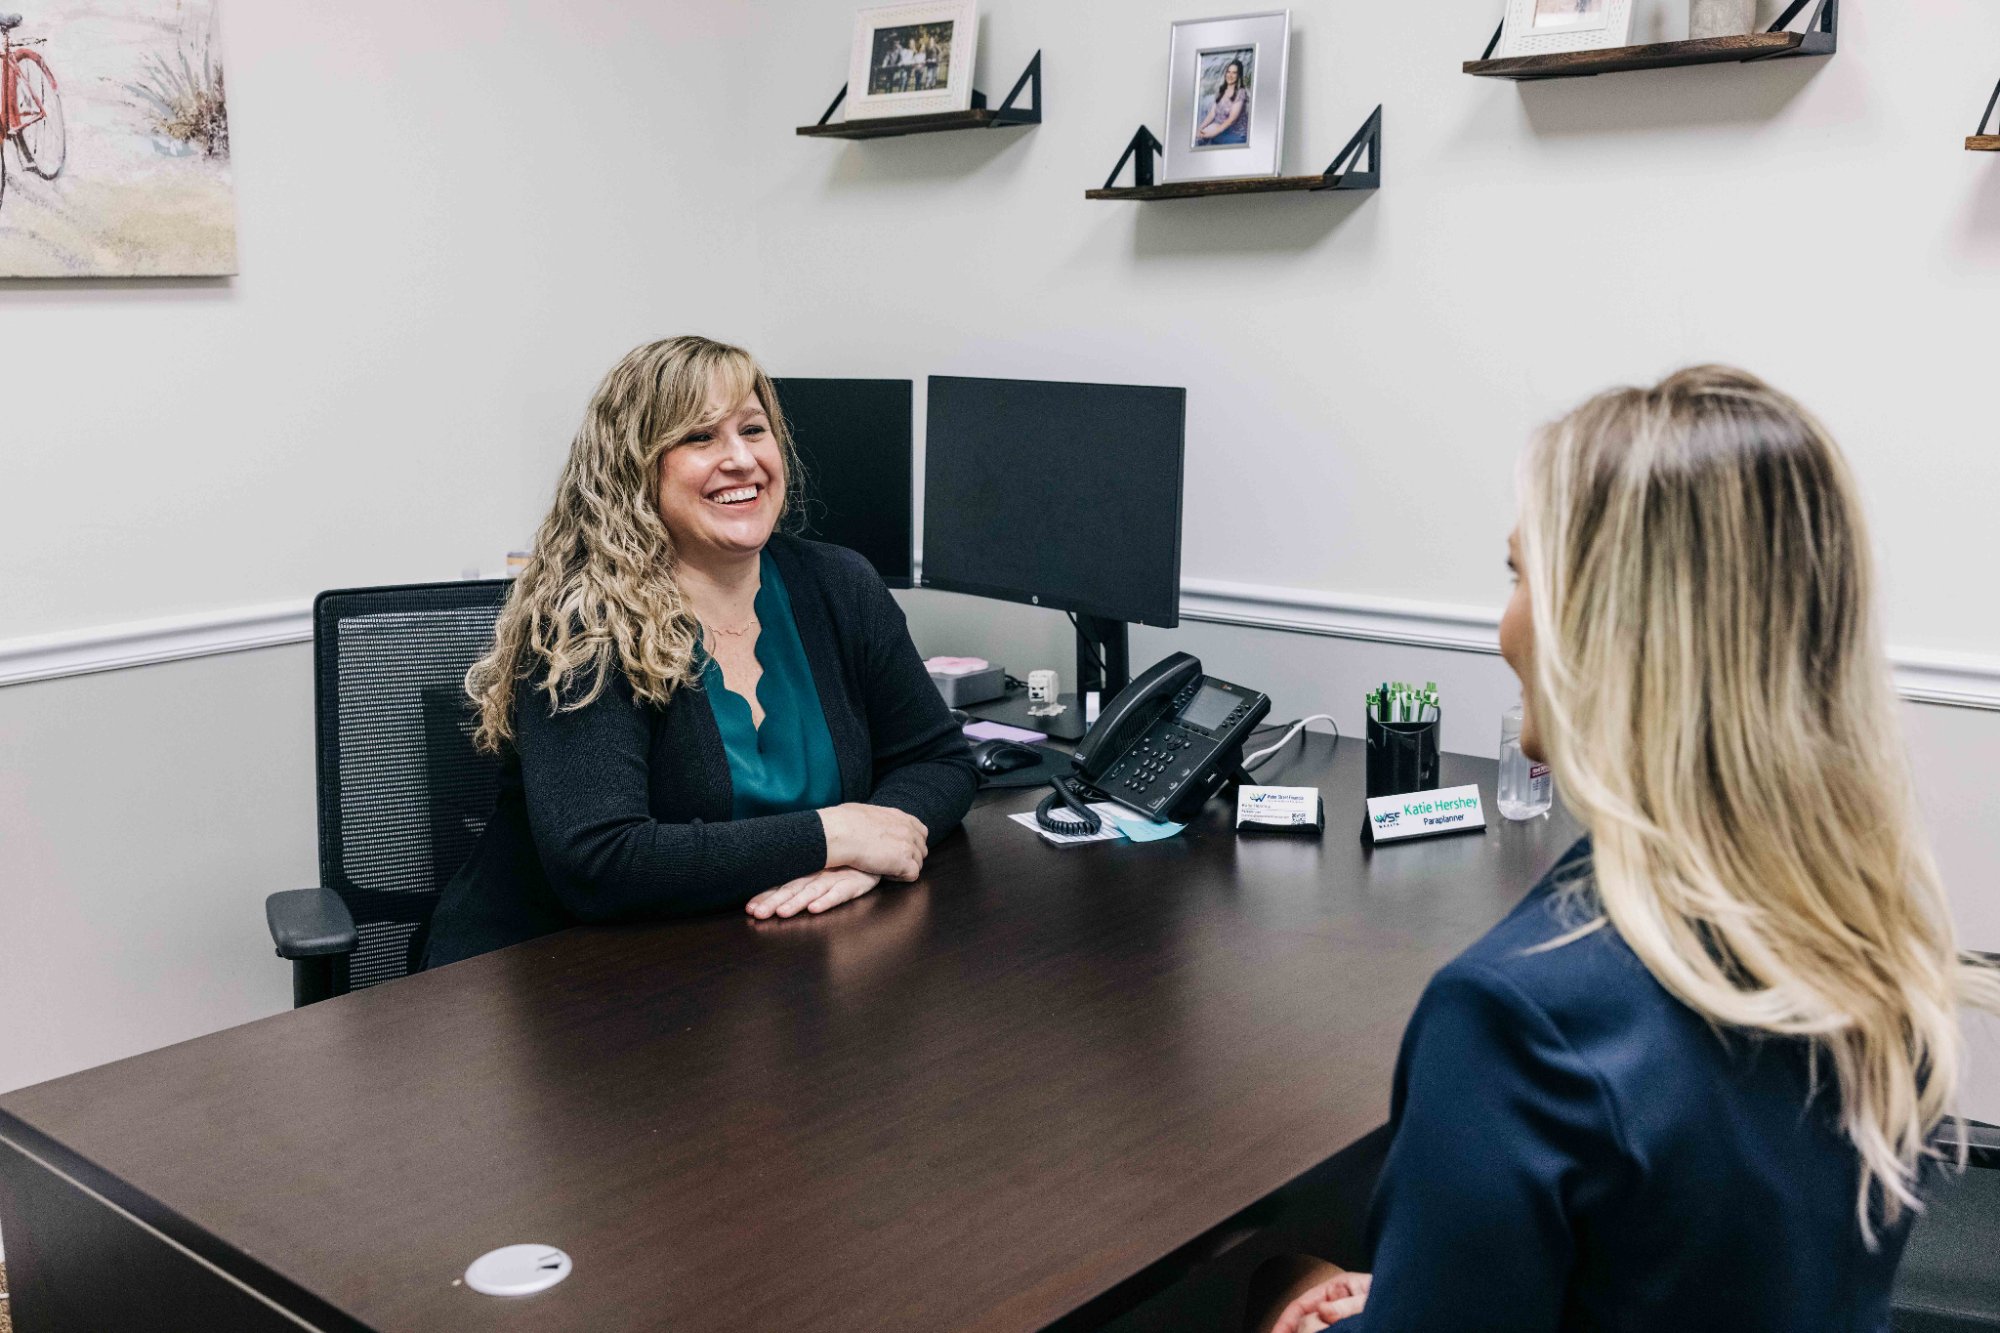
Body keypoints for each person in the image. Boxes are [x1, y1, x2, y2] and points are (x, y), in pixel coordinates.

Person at [1258, 367, 2000, 1332]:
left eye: (1523, 577)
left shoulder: (1516, 1018)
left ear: (1610, 631)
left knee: (1271, 1271)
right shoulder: (1870, 946)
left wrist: (1299, 1304)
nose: (1503, 628)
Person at [421, 336, 976, 968]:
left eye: (754, 429)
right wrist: (836, 836)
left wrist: (867, 858)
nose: (741, 459)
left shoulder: (839, 586)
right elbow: (601, 862)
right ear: (633, 468)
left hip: (756, 965)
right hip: (556, 984)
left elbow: (938, 759)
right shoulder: (585, 622)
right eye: (699, 438)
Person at [1196, 60, 1249, 146]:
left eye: (1234, 73)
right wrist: (1200, 128)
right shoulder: (1221, 90)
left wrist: (1213, 133)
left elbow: (1231, 120)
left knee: (1206, 137)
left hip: (1235, 134)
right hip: (1220, 127)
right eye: (1228, 72)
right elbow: (1212, 114)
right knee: (1199, 136)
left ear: (1239, 75)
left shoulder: (1241, 92)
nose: (1230, 75)